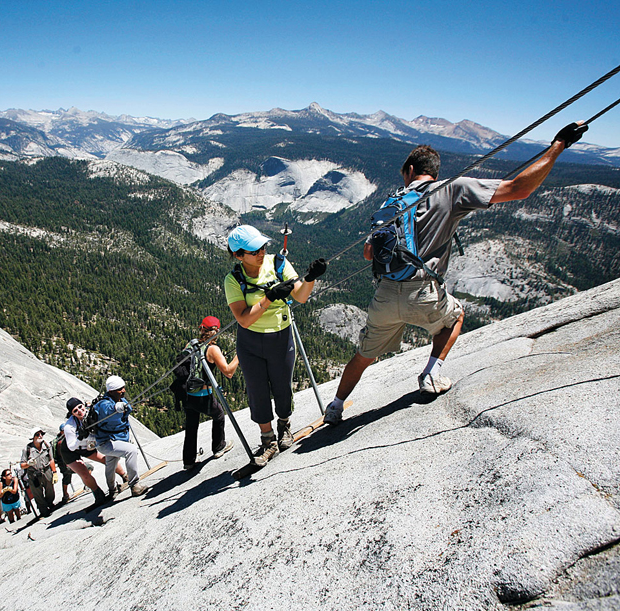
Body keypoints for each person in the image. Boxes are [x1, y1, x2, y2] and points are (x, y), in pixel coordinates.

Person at [323, 122, 589, 425]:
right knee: (455, 316)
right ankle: (431, 373)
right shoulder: (452, 188)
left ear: (409, 170)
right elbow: (520, 189)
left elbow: (369, 253)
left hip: (384, 294)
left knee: (364, 356)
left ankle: (336, 406)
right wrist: (558, 145)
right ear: (433, 171)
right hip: (424, 291)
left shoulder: (391, 203)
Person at [224, 225, 326, 465]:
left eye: (262, 247)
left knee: (282, 386)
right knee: (257, 391)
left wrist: (309, 278)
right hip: (250, 341)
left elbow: (300, 296)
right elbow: (244, 319)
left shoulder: (278, 264)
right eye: (254, 250)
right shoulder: (233, 280)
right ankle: (268, 439)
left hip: (281, 335)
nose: (261, 252)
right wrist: (269, 297)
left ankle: (284, 425)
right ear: (239, 255)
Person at [181, 316, 239, 470]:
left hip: (187, 395)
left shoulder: (191, 344)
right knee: (218, 414)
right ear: (217, 331)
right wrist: (239, 355)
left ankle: (188, 461)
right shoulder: (212, 349)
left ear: (201, 328)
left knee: (191, 426)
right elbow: (228, 372)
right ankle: (219, 447)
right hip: (203, 396)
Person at [58, 397, 130, 509]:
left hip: (87, 446)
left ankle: (125, 476)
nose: (80, 411)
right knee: (84, 473)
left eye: (80, 407)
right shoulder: (69, 426)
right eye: (75, 411)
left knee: (106, 459)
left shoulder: (91, 413)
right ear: (72, 414)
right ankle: (98, 494)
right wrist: (80, 437)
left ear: (83, 405)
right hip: (69, 450)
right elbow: (71, 446)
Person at [94, 375, 148, 498]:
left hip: (115, 440)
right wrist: (117, 408)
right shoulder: (103, 404)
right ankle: (135, 485)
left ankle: (112, 489)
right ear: (111, 391)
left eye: (123, 387)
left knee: (111, 464)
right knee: (131, 451)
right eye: (120, 389)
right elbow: (108, 411)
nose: (123, 391)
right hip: (106, 442)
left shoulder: (121, 400)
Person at [20, 428, 59, 517]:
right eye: (37, 434)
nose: (40, 436)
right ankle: (43, 510)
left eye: (41, 434)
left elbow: (51, 459)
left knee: (50, 490)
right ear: (33, 437)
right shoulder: (27, 449)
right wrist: (28, 464)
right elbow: (22, 465)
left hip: (46, 471)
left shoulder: (46, 445)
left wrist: (54, 472)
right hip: (34, 474)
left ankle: (49, 503)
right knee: (38, 494)